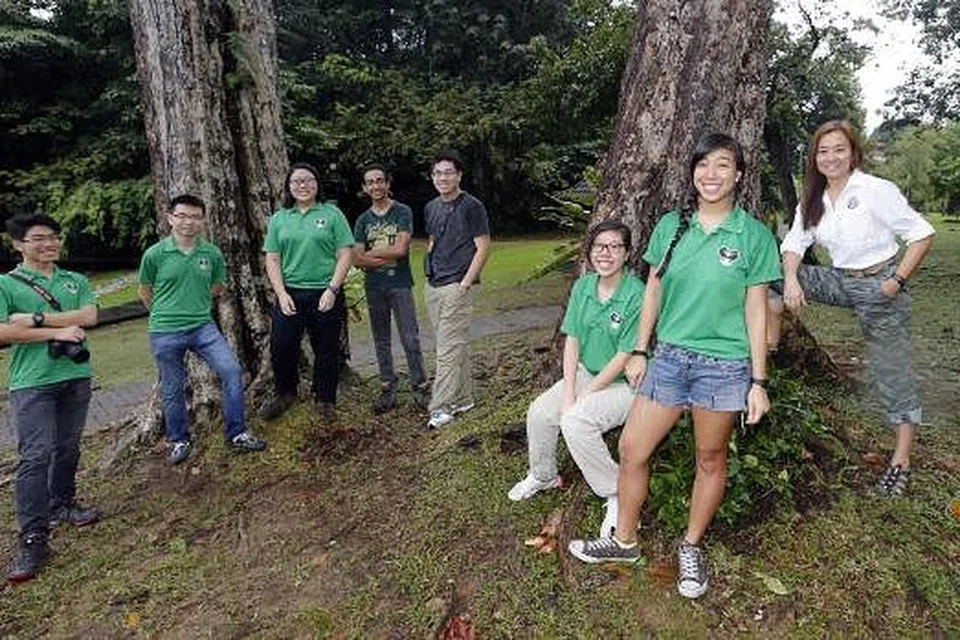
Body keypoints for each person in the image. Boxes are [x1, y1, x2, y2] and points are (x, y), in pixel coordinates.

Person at [568, 133, 781, 601]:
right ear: (692, 173)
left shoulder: (754, 236)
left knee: (710, 458)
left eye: (723, 165)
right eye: (703, 165)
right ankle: (623, 542)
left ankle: (691, 546)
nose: (711, 174)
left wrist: (758, 381)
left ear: (739, 175)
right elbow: (653, 292)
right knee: (631, 448)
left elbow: (756, 311)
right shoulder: (671, 227)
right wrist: (641, 349)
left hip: (724, 365)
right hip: (669, 357)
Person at [775, 119, 935, 496]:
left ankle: (901, 460)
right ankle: (764, 352)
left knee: (891, 373)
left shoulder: (876, 190)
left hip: (881, 287)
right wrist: (793, 279)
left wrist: (895, 282)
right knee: (768, 278)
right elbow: (794, 243)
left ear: (853, 153)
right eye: (823, 151)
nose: (830, 157)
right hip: (841, 281)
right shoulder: (813, 199)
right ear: (814, 157)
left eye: (838, 150)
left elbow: (922, 234)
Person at [508, 220, 643, 539]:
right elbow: (572, 341)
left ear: (627, 254)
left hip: (625, 384)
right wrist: (570, 390)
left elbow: (625, 355)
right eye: (599, 246)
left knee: (576, 421)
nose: (606, 253)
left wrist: (585, 396)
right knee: (541, 412)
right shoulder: (584, 286)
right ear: (589, 252)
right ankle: (544, 475)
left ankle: (616, 493)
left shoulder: (635, 293)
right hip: (585, 372)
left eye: (614, 247)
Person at [0, 213, 100, 583]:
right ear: (18, 244)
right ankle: (32, 536)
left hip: (75, 375)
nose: (50, 244)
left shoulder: (73, 279)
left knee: (68, 447)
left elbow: (89, 315)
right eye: (39, 238)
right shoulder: (6, 284)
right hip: (32, 382)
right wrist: (56, 333)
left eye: (54, 237)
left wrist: (35, 320)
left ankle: (62, 504)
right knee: (34, 457)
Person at [138, 194, 267, 465]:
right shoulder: (154, 254)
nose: (188, 222)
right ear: (170, 218)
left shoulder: (211, 253)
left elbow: (217, 287)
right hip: (165, 331)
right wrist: (165, 312)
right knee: (172, 387)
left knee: (231, 371)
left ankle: (237, 432)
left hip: (202, 327)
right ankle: (179, 439)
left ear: (203, 220)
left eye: (195, 216)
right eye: (182, 216)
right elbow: (145, 292)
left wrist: (195, 302)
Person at [259, 163, 354, 422]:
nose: (303, 185)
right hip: (290, 293)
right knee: (281, 346)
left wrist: (333, 289)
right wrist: (281, 293)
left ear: (317, 183)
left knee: (326, 348)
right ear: (289, 187)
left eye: (308, 180)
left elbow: (345, 253)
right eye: (297, 181)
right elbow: (273, 259)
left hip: (326, 291)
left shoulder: (332, 214)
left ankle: (325, 399)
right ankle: (285, 393)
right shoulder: (280, 218)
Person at [352, 164, 429, 414]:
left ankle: (420, 385)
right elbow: (356, 258)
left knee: (410, 336)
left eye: (379, 180)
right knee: (381, 339)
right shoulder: (363, 220)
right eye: (370, 182)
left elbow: (401, 250)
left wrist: (370, 255)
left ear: (387, 183)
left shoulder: (402, 212)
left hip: (400, 283)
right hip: (375, 287)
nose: (375, 186)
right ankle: (388, 387)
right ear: (364, 188)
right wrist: (375, 256)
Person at [422, 151, 491, 429]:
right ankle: (463, 398)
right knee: (452, 345)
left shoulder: (472, 206)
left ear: (459, 175)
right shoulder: (431, 207)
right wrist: (429, 270)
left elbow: (483, 246)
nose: (443, 178)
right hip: (434, 283)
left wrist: (465, 283)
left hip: (457, 285)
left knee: (447, 349)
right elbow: (432, 240)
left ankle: (440, 407)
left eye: (448, 172)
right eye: (438, 173)